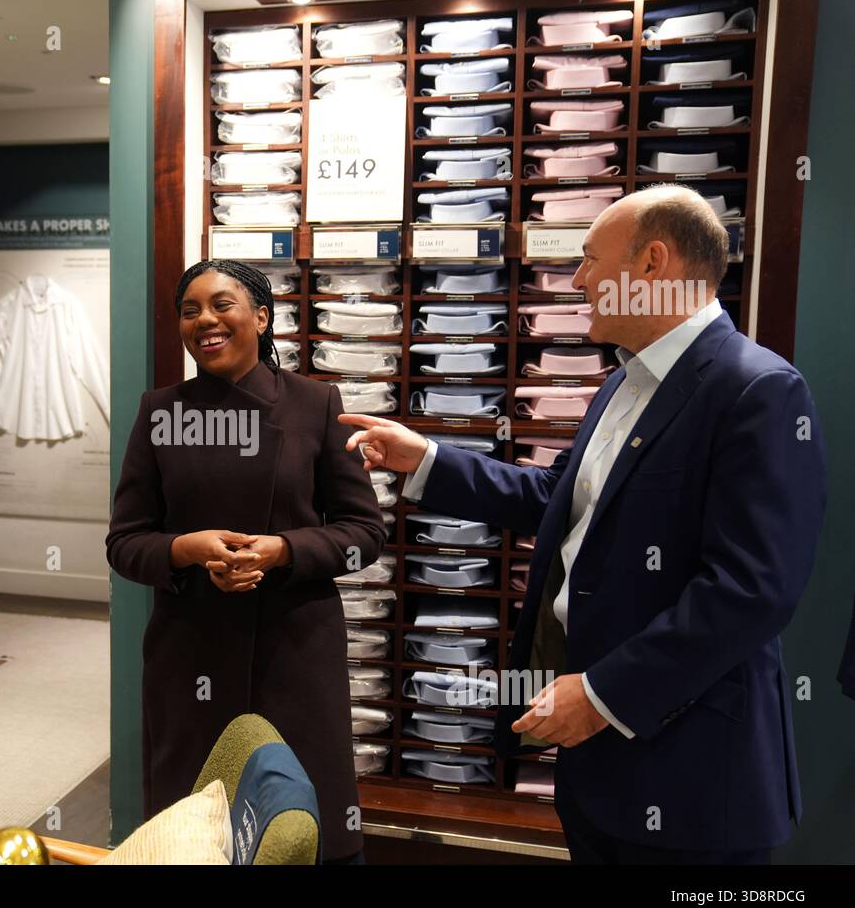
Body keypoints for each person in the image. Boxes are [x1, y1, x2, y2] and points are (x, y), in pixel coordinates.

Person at [341, 185, 827, 864]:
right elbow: (558, 498)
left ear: (653, 265)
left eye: (591, 260)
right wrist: (424, 458)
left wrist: (600, 696)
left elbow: (751, 591)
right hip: (597, 763)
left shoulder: (758, 390)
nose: (577, 280)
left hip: (691, 772)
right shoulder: (623, 383)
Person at [106, 260, 387, 863]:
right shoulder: (160, 411)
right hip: (191, 655)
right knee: (192, 834)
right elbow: (125, 542)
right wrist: (186, 549)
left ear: (261, 317)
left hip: (295, 653)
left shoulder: (317, 405)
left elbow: (365, 533)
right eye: (189, 309)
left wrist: (283, 549)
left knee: (308, 827)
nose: (204, 320)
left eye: (221, 304)